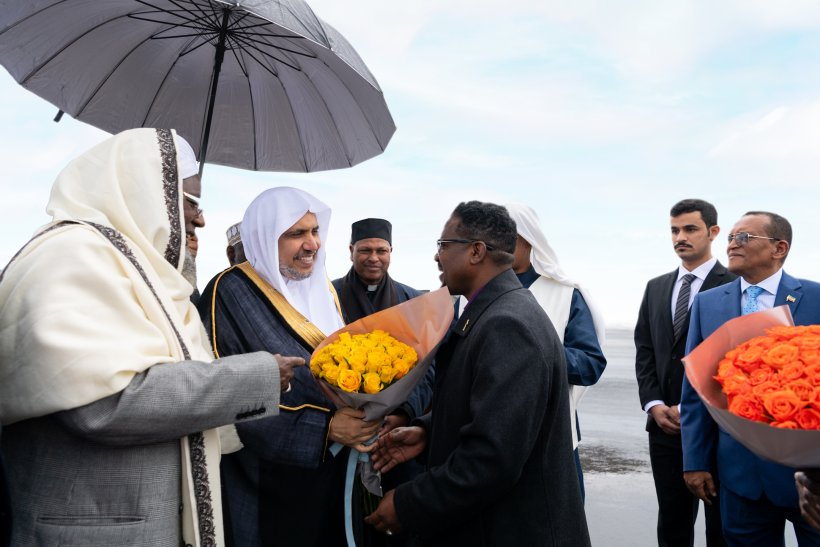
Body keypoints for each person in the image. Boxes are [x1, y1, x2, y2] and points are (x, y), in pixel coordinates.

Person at [0, 128, 301, 546]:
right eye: (190, 201)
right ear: (142, 191)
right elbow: (104, 403)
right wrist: (259, 375)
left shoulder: (139, 272)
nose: (199, 218)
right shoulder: (73, 257)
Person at [365, 201, 590, 546]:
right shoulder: (493, 311)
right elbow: (488, 411)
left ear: (475, 251)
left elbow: (491, 459)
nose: (436, 257)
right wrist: (428, 431)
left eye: (443, 246)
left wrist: (410, 502)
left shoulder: (508, 325)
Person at [197, 187, 380, 547]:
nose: (312, 244)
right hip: (263, 477)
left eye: (314, 231)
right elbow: (224, 392)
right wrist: (325, 428)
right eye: (296, 234)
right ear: (265, 237)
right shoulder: (229, 291)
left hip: (329, 472)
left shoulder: (323, 290)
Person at [681, 211, 820, 546]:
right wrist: (695, 462)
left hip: (812, 478)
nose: (731, 244)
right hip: (739, 475)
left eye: (743, 237)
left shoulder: (816, 297)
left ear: (779, 247)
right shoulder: (707, 303)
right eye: (729, 238)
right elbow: (696, 391)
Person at [635, 198, 733, 546]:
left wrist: (697, 407)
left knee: (722, 528)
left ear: (713, 232)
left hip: (717, 428)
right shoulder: (656, 286)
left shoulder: (734, 283)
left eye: (690, 229)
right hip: (664, 427)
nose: (681, 237)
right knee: (672, 524)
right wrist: (654, 403)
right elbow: (645, 350)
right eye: (675, 230)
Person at [332, 218, 432, 546]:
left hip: (394, 434)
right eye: (365, 250)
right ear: (350, 252)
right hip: (343, 433)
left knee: (392, 526)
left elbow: (427, 370)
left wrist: (403, 413)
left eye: (381, 250)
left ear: (391, 253)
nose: (373, 257)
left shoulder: (413, 301)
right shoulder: (328, 296)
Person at [506, 203, 606, 500]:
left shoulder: (564, 294)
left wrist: (534, 352)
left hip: (551, 436)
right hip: (486, 439)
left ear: (527, 238)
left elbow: (590, 365)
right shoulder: (471, 296)